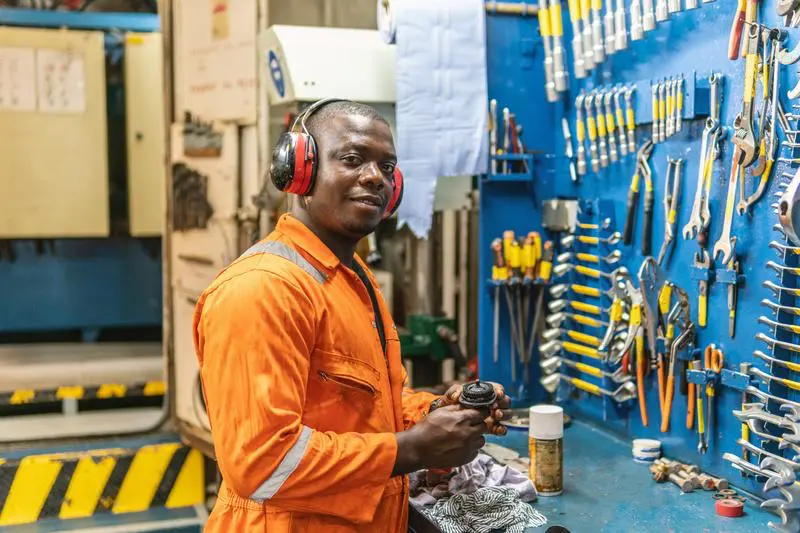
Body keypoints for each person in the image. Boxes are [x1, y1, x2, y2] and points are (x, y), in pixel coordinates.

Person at [192, 98, 511, 532]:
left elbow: (368, 407)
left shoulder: (351, 277)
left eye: (387, 167)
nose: (375, 177)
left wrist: (437, 411)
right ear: (300, 170)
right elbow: (264, 465)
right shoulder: (262, 289)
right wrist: (413, 448)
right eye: (352, 159)